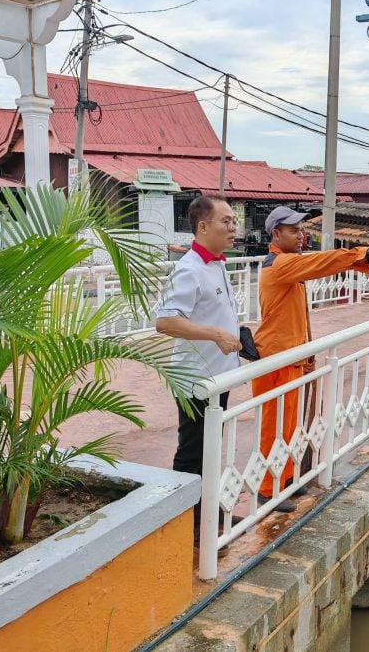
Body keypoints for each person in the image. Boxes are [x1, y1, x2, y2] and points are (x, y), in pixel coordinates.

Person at [252, 206, 369, 511]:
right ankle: (267, 490)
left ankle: (287, 480)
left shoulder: (286, 265)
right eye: (294, 230)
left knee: (292, 424)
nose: (301, 235)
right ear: (276, 234)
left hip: (294, 357)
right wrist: (364, 254)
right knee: (274, 425)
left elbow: (317, 264)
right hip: (277, 358)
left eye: (302, 230)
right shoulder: (280, 265)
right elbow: (323, 262)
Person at [155, 195, 241, 532]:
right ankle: (185, 525)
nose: (234, 227)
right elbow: (165, 322)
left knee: (210, 449)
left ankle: (206, 516)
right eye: (226, 221)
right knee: (192, 453)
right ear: (203, 227)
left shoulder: (217, 263)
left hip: (218, 377)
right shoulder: (189, 269)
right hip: (196, 382)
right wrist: (215, 334)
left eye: (234, 221)